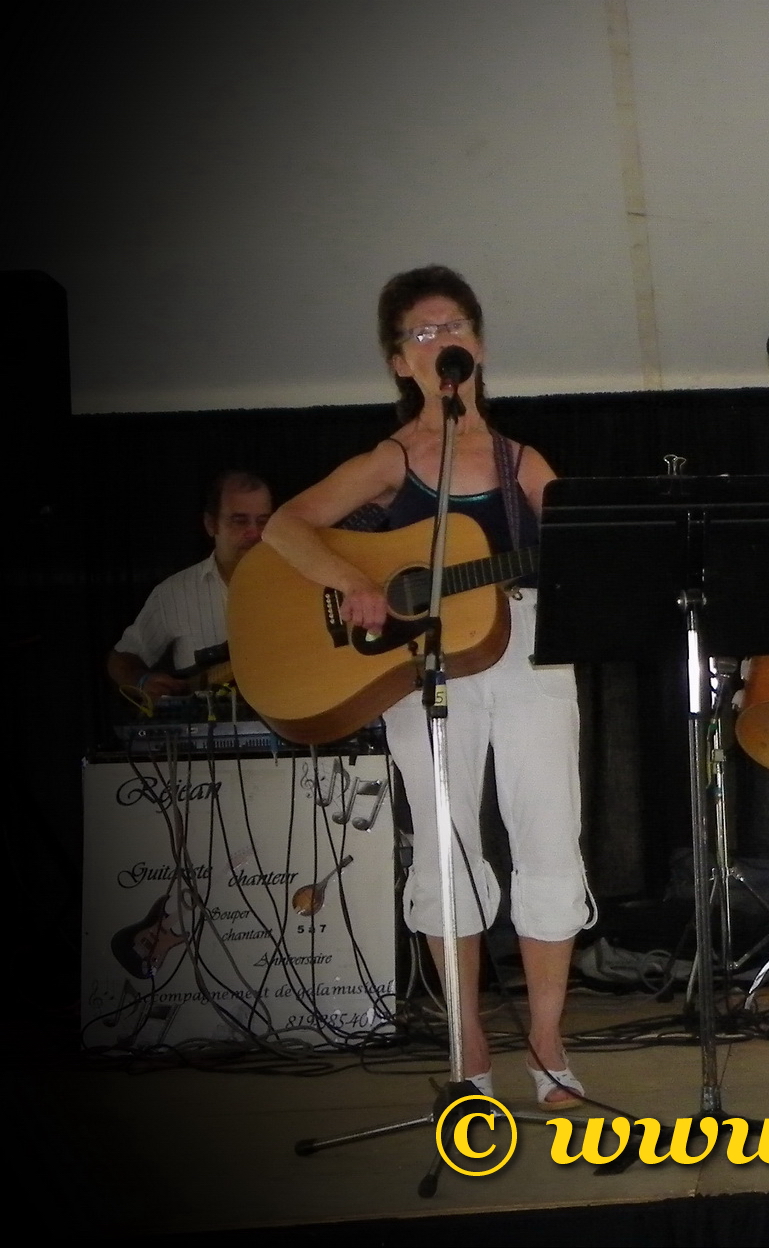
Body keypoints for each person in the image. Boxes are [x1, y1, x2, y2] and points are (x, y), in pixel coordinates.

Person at [261, 265, 593, 1109]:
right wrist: (352, 580)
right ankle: (466, 1039)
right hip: (424, 662)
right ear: (400, 362)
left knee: (549, 835)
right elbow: (285, 526)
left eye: (456, 327)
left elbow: (589, 548)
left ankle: (548, 1040)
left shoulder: (523, 460)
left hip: (529, 648)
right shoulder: (392, 459)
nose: (443, 340)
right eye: (423, 331)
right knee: (446, 847)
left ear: (479, 346)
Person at [107, 469, 271, 700]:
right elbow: (122, 658)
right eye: (239, 521)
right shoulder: (174, 593)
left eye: (263, 521)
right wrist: (141, 680)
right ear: (211, 524)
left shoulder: (296, 583)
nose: (254, 532)